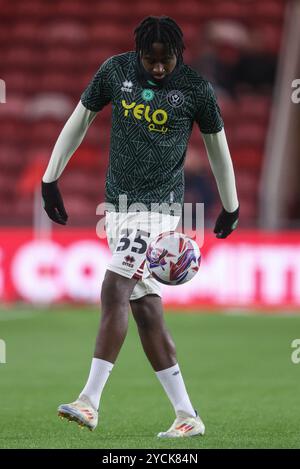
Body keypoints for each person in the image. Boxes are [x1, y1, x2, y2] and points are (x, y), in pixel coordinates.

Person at [41, 16, 239, 438]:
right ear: (139, 54)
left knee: (114, 288)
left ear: (178, 55)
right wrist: (50, 178)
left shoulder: (195, 90)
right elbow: (80, 119)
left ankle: (89, 401)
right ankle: (187, 414)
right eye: (150, 60)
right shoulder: (115, 71)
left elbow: (217, 148)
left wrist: (231, 205)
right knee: (146, 310)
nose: (158, 68)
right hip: (116, 209)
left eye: (166, 60)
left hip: (160, 213)